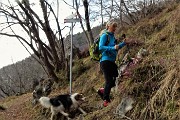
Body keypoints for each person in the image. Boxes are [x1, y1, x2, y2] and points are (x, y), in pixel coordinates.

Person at [98, 19, 134, 107]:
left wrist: (124, 43)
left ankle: (103, 90)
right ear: (108, 26)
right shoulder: (105, 35)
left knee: (116, 78)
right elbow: (101, 47)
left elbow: (116, 47)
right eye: (113, 26)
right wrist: (113, 48)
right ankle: (106, 100)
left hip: (111, 61)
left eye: (115, 26)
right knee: (109, 80)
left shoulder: (113, 37)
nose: (115, 28)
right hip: (105, 61)